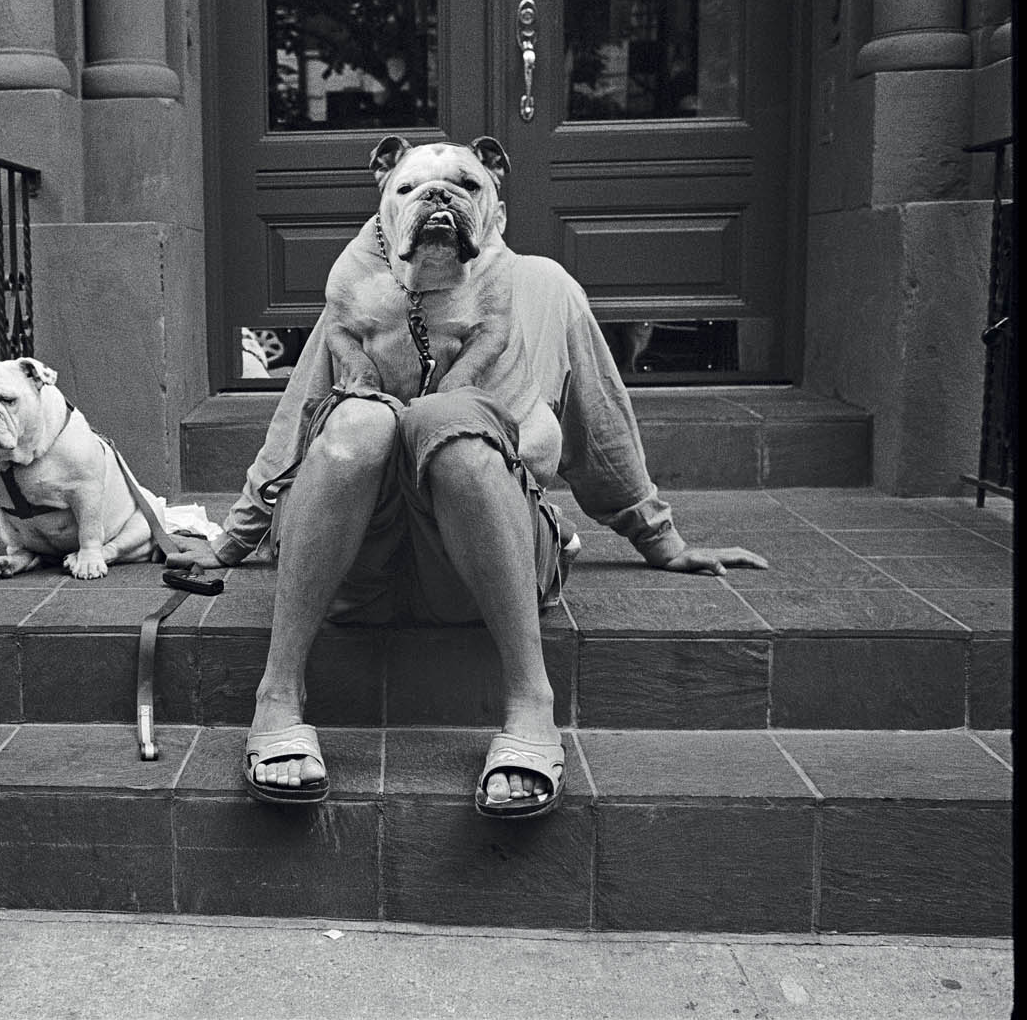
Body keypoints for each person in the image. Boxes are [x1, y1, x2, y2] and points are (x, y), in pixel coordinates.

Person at [168, 134, 768, 817]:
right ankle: (277, 691)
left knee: (453, 425)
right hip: (357, 567)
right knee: (358, 423)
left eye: (465, 187)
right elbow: (298, 423)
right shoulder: (363, 292)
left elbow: (599, 428)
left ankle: (529, 703)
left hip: (480, 563)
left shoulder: (543, 288)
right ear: (384, 210)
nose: (439, 202)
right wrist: (229, 543)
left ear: (497, 206)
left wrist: (660, 540)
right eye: (414, 190)